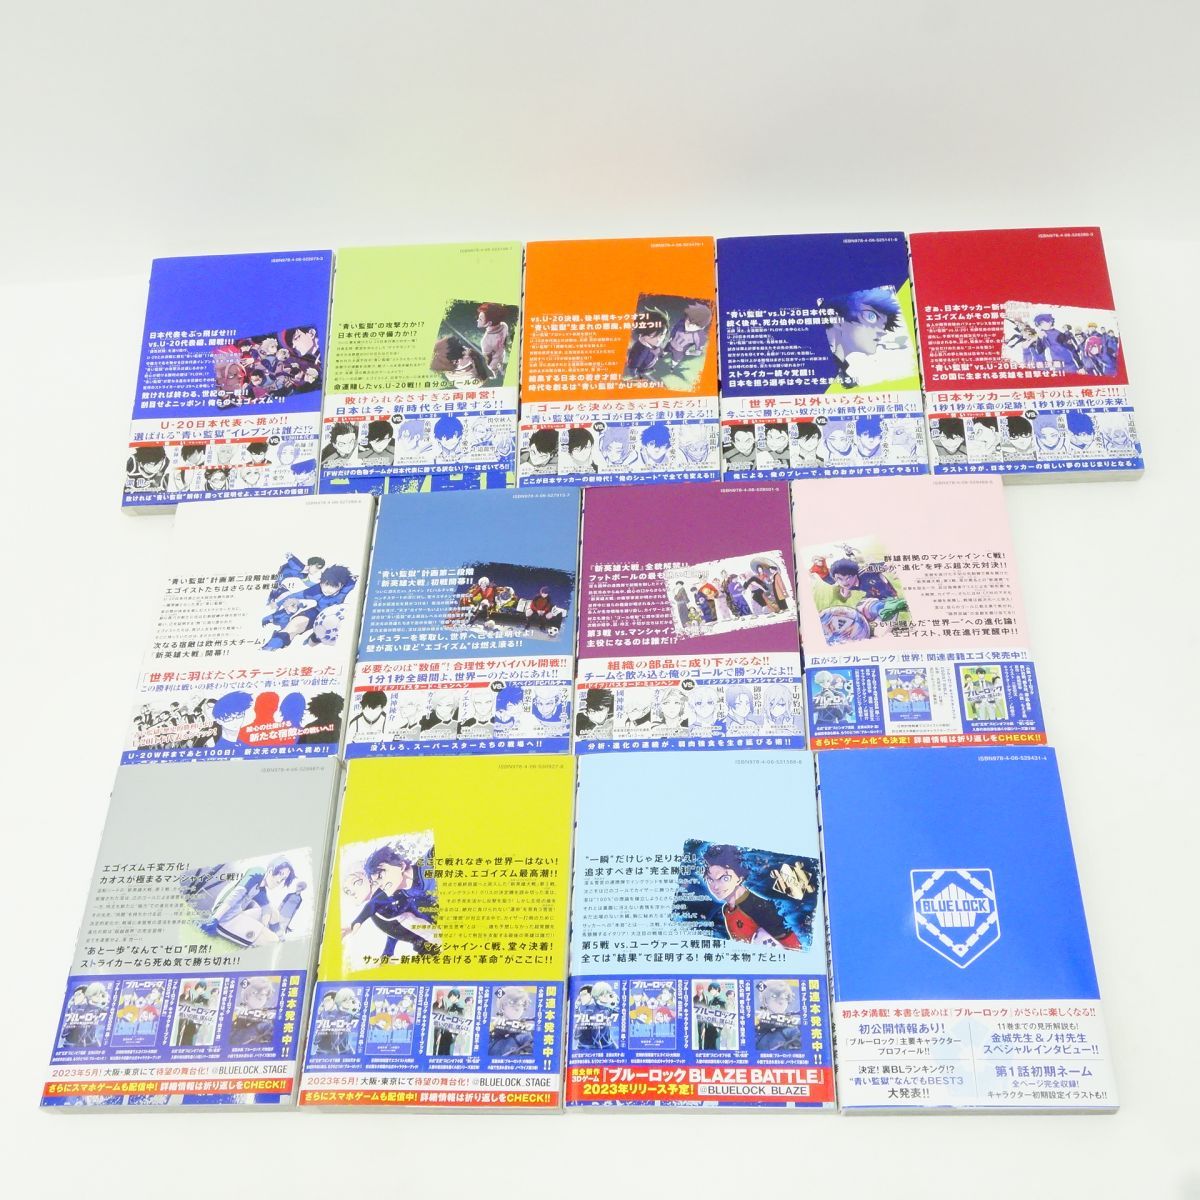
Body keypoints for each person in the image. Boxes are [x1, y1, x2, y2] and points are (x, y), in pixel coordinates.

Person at [700, 844, 813, 949]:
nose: (715, 886)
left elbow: (793, 946)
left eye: (724, 879)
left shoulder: (758, 908)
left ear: (739, 877)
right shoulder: (727, 909)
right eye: (710, 880)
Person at [343, 843, 439, 958]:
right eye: (376, 882)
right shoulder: (397, 896)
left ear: (401, 866)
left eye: (381, 876)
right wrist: (387, 954)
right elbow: (395, 928)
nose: (380, 884)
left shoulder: (428, 862)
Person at [822, 286, 901, 386]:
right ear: (838, 321)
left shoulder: (846, 376)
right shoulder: (823, 367)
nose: (882, 331)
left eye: (884, 325)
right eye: (871, 317)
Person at [477, 303, 513, 378]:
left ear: (489, 323)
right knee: (501, 369)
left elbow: (487, 360)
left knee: (496, 374)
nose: (477, 320)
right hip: (502, 355)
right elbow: (506, 340)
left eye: (480, 319)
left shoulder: (485, 341)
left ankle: (497, 376)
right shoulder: (504, 325)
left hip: (493, 365)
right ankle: (501, 372)